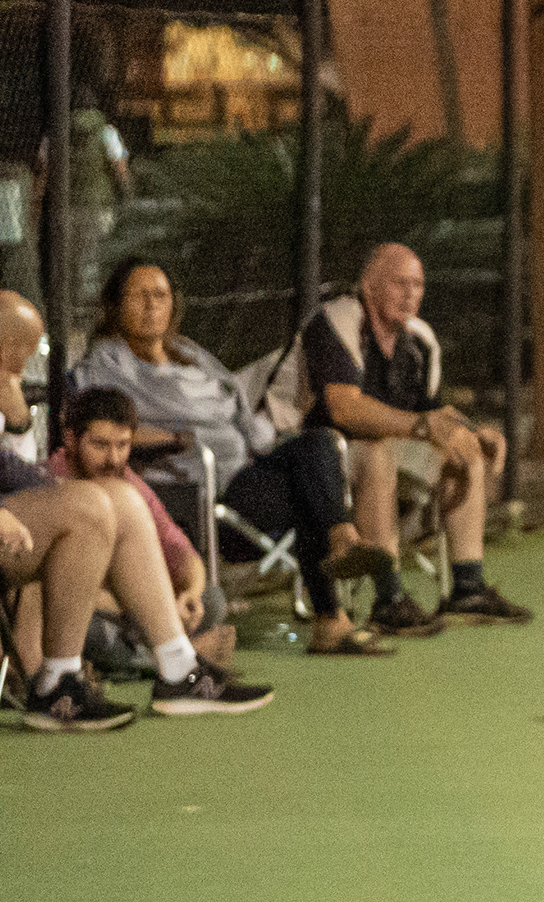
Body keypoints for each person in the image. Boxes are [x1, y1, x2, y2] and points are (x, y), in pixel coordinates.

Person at [74, 257, 395, 655]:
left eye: (161, 295)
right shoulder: (105, 363)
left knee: (318, 446)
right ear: (115, 305)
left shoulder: (191, 355)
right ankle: (333, 608)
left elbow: (242, 412)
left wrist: (272, 443)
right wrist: (174, 437)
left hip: (243, 476)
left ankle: (340, 548)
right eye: (139, 296)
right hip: (193, 491)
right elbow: (96, 425)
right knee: (311, 485)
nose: (152, 305)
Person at [279, 244, 530, 628]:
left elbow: (432, 415)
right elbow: (344, 410)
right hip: (313, 458)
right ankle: (389, 599)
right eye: (400, 283)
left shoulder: (420, 340)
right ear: (369, 286)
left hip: (380, 452)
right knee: (376, 449)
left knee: (464, 452)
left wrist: (472, 432)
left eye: (418, 285)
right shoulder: (337, 320)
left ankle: (468, 588)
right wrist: (421, 427)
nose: (411, 293)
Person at [38, 389, 273, 714]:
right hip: (85, 610)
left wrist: (188, 594)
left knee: (211, 600)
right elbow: (52, 587)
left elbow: (183, 553)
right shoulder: (48, 483)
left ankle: (169, 658)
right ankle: (175, 656)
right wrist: (137, 606)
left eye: (122, 445)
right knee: (91, 632)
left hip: (128, 613)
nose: (113, 458)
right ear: (70, 439)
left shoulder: (129, 484)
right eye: (100, 445)